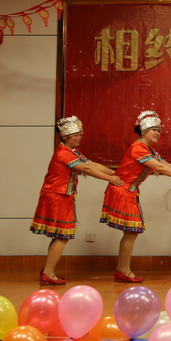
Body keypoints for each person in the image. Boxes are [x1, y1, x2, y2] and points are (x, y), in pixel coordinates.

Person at [101, 110, 171, 283]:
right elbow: (160, 168)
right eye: (154, 129)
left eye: (159, 130)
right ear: (144, 131)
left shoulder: (149, 149)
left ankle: (122, 270)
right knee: (131, 232)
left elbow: (165, 164)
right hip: (123, 191)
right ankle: (123, 271)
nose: (157, 133)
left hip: (129, 191)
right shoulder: (138, 148)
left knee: (131, 233)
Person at [31, 116, 123, 285]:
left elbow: (91, 164)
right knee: (62, 236)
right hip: (57, 197)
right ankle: (48, 273)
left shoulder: (73, 152)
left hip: (62, 196)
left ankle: (48, 271)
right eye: (76, 134)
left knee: (60, 235)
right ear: (65, 136)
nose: (79, 137)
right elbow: (86, 168)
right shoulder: (63, 153)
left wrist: (113, 173)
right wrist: (110, 179)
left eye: (80, 134)